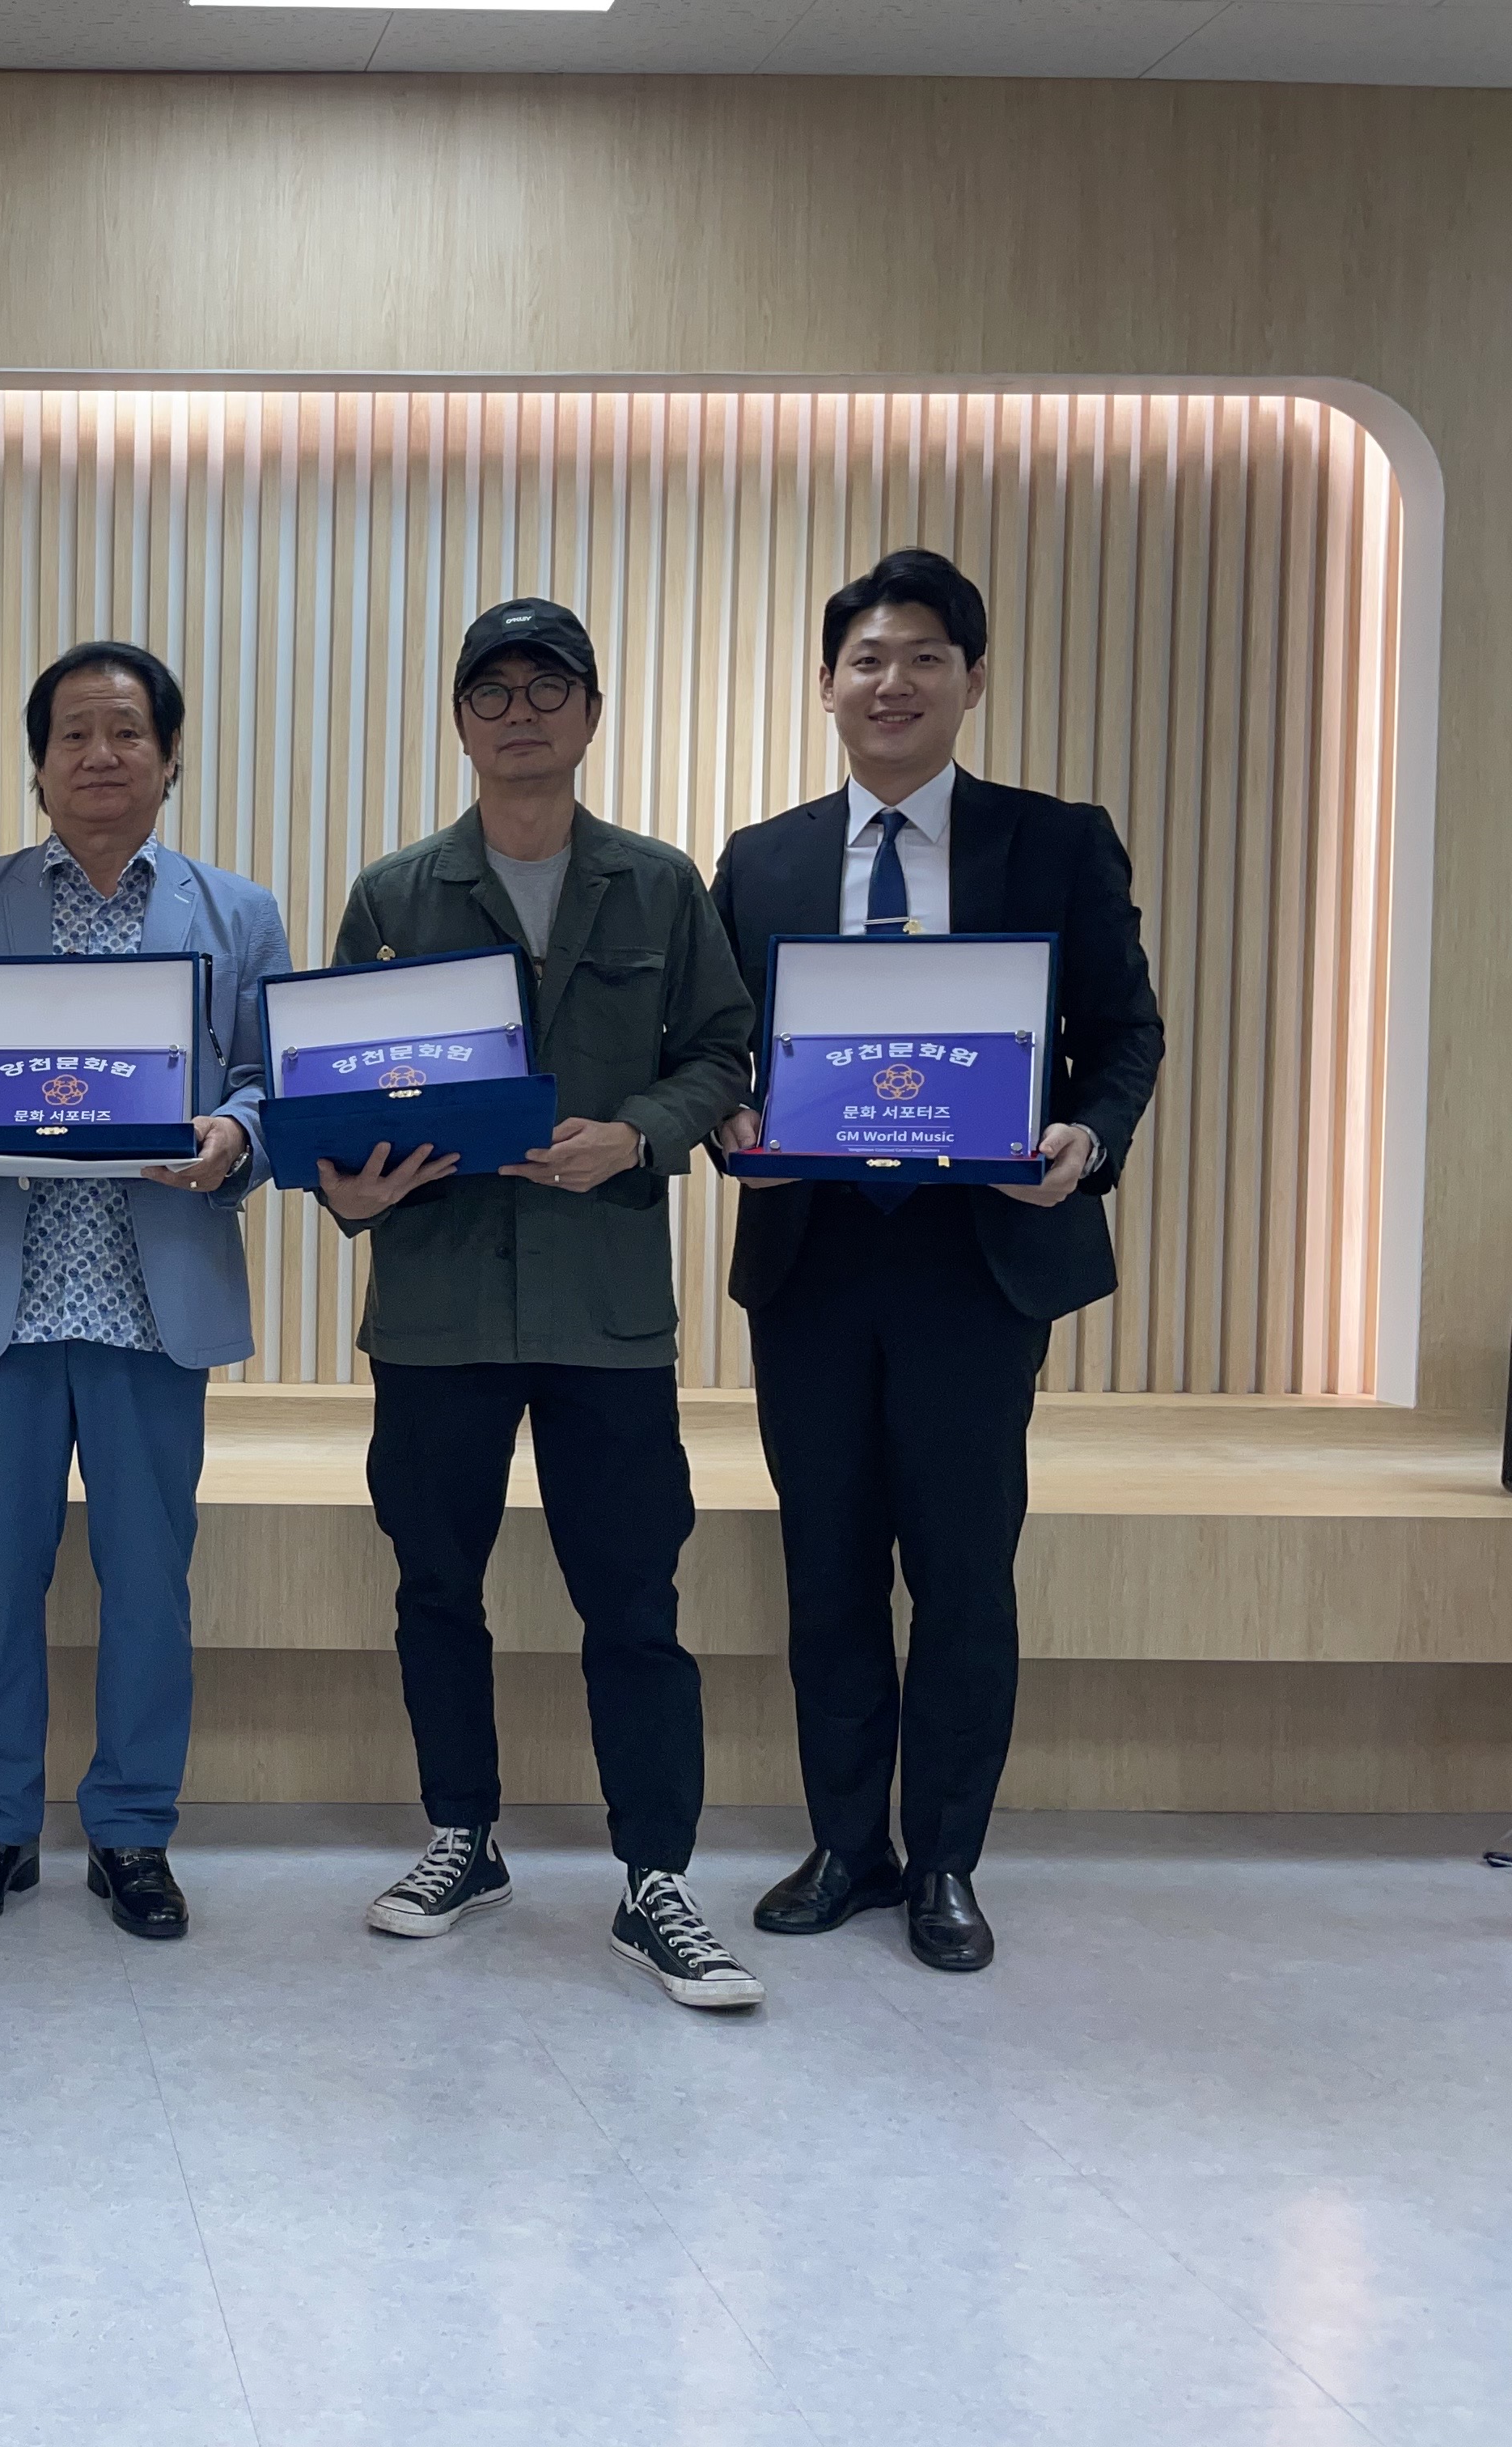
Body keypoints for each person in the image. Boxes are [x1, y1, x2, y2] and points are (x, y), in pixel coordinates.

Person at [711, 548, 1165, 1974]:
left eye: (923, 657)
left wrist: (1088, 1138)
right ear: (826, 685)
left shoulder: (1057, 840)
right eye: (867, 659)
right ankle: (849, 1844)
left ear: (972, 679)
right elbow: (718, 1048)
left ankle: (948, 1862)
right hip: (816, 1259)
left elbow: (1125, 1035)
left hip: (980, 1260)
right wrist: (726, 1112)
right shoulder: (762, 859)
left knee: (965, 1570)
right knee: (829, 1563)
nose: (892, 682)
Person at [321, 597, 765, 2012]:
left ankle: (657, 1879)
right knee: (435, 1586)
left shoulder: (660, 885)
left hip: (602, 1306)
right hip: (439, 1303)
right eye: (494, 691)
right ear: (461, 721)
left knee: (633, 1598)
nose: (522, 714)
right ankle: (464, 1836)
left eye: (548, 688)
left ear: (591, 713)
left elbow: (724, 1051)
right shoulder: (395, 896)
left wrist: (637, 1135)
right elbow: (338, 1087)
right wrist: (349, 1187)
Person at [0, 642, 286, 1943]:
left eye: (126, 733)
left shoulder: (238, 914)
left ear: (170, 758)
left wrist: (235, 1134)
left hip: (150, 1304)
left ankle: (132, 1832)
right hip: (2, 1298)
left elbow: (267, 1078)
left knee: (149, 1581)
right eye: (74, 735)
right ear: (39, 764)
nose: (100, 756)